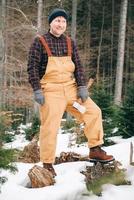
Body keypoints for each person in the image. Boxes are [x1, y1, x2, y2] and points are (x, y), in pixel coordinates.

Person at [27, 8, 114, 176]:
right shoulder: (40, 42)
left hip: (71, 91)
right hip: (51, 92)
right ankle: (47, 164)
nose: (60, 24)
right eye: (57, 20)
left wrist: (82, 87)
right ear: (51, 23)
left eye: (63, 21)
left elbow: (79, 67)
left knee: (93, 112)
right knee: (50, 127)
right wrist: (37, 90)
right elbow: (32, 68)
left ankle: (95, 149)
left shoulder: (69, 42)